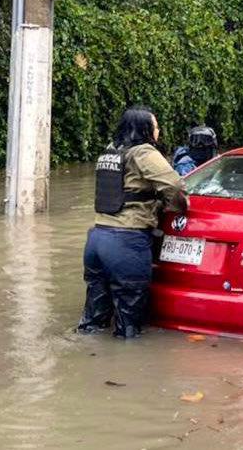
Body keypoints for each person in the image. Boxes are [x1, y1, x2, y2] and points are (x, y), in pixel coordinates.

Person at [78, 106, 189, 338]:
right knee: (128, 324)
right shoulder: (143, 152)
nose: (158, 131)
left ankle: (89, 354)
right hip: (126, 242)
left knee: (93, 321)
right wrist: (178, 207)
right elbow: (174, 186)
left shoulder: (110, 151)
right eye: (155, 126)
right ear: (145, 128)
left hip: (96, 239)